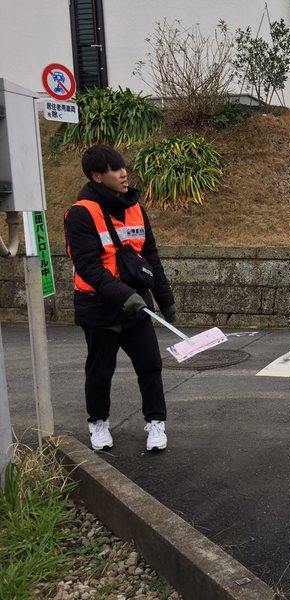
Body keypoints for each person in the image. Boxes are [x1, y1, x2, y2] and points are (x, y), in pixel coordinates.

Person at [64, 144, 176, 453]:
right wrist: (122, 294)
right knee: (101, 370)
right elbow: (87, 266)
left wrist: (165, 299)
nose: (123, 173)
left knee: (150, 365)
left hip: (136, 303)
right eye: (115, 169)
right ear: (98, 176)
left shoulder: (135, 207)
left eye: (122, 166)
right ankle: (98, 422)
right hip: (100, 307)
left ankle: (156, 422)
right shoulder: (81, 214)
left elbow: (149, 255)